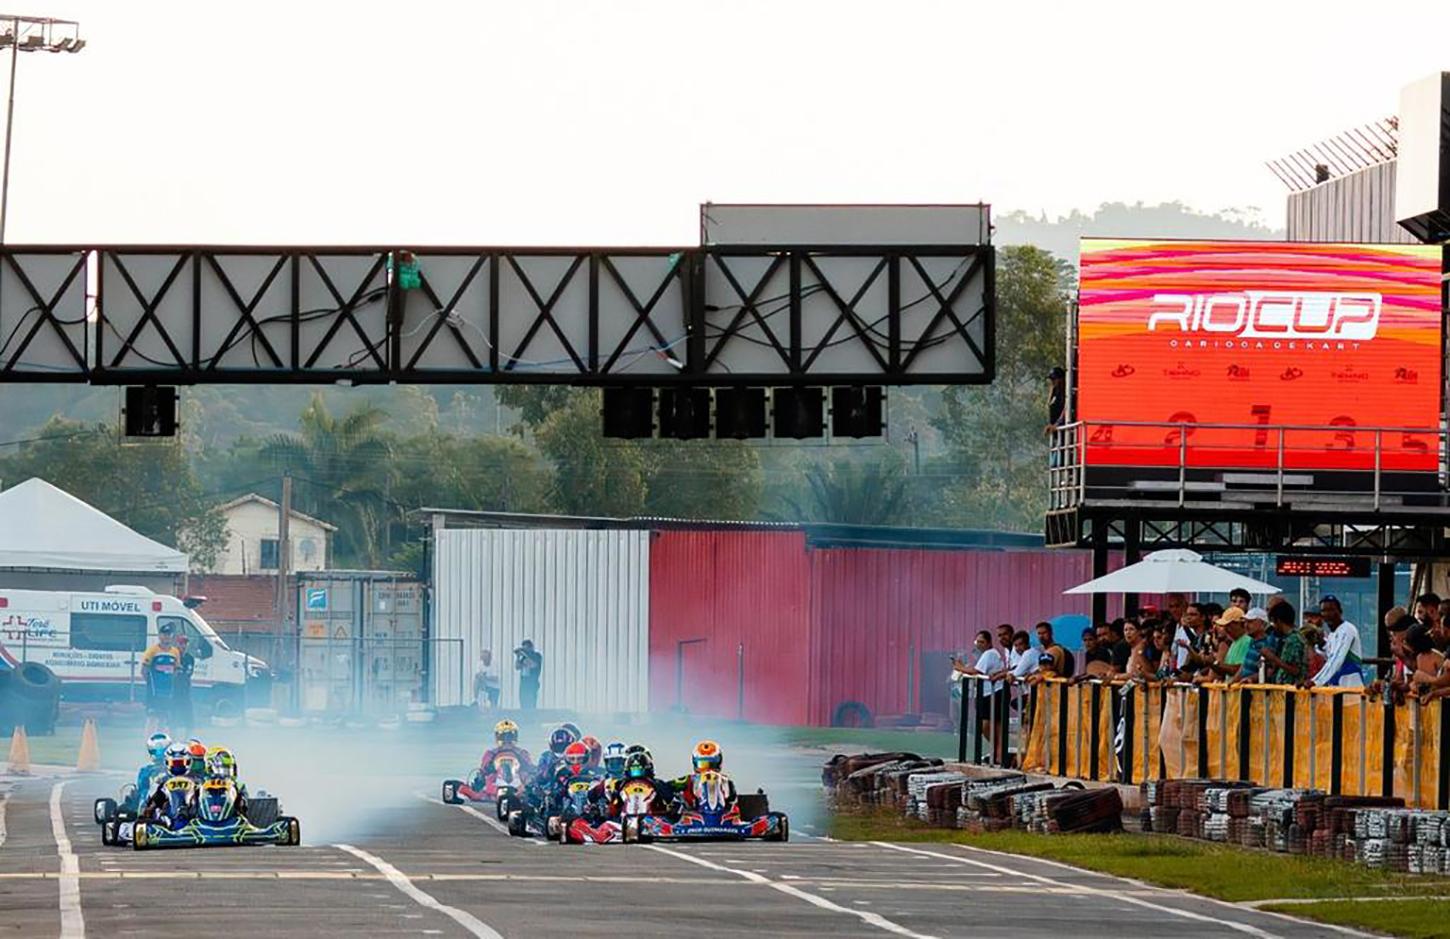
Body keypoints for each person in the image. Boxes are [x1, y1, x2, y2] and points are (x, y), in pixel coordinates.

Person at [1307, 595, 1364, 688]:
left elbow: (1336, 659)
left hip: (1350, 686)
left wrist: (1316, 681)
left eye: (1331, 610)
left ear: (1340, 611)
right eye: (1324, 611)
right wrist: (1321, 644)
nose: (1327, 614)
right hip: (1336, 686)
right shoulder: (1332, 635)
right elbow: (1329, 655)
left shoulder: (1347, 629)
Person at [140, 623, 182, 735]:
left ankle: (160, 739)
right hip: (154, 691)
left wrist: (169, 680)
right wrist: (152, 683)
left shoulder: (175, 652)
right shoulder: (152, 651)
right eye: (164, 634)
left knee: (163, 716)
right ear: (159, 636)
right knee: (152, 716)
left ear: (172, 636)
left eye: (169, 634)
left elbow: (176, 669)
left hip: (167, 690)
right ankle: (148, 739)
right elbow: (144, 670)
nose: (166, 637)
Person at [1260, 602, 1306, 685]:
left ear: (1278, 621)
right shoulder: (1284, 639)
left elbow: (1296, 670)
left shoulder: (1294, 640)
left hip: (1290, 688)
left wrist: (1273, 657)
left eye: (1273, 622)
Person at [1230, 610, 1271, 684]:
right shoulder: (1252, 641)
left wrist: (1251, 679)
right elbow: (1244, 667)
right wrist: (1232, 682)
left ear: (1262, 623)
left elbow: (1269, 672)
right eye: (1245, 622)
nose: (1246, 625)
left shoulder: (1268, 643)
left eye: (1250, 622)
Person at [514, 640, 543, 710]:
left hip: (532, 683)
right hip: (524, 682)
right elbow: (517, 667)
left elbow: (533, 665)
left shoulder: (537, 655)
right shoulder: (523, 657)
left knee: (531, 702)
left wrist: (525, 655)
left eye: (526, 648)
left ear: (531, 647)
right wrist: (518, 656)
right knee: (523, 701)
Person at [1044, 366, 1066, 438]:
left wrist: (1056, 424)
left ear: (1061, 379)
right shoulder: (1055, 391)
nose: (1052, 382)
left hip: (1063, 431)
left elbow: (1066, 409)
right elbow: (1050, 405)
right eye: (1051, 379)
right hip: (1056, 433)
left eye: (1054, 379)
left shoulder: (1065, 393)